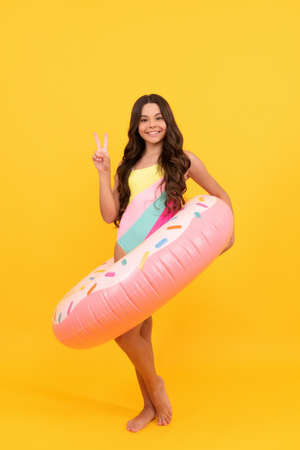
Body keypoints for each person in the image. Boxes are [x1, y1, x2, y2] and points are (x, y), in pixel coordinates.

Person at [92, 94, 235, 432]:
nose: (151, 124)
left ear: (168, 121)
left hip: (153, 264)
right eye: (144, 119)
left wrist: (228, 233)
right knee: (139, 334)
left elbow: (221, 195)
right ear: (136, 126)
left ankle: (156, 386)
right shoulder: (128, 167)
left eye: (158, 118)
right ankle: (148, 407)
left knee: (124, 334)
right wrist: (103, 172)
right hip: (123, 258)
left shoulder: (183, 161)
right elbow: (109, 214)